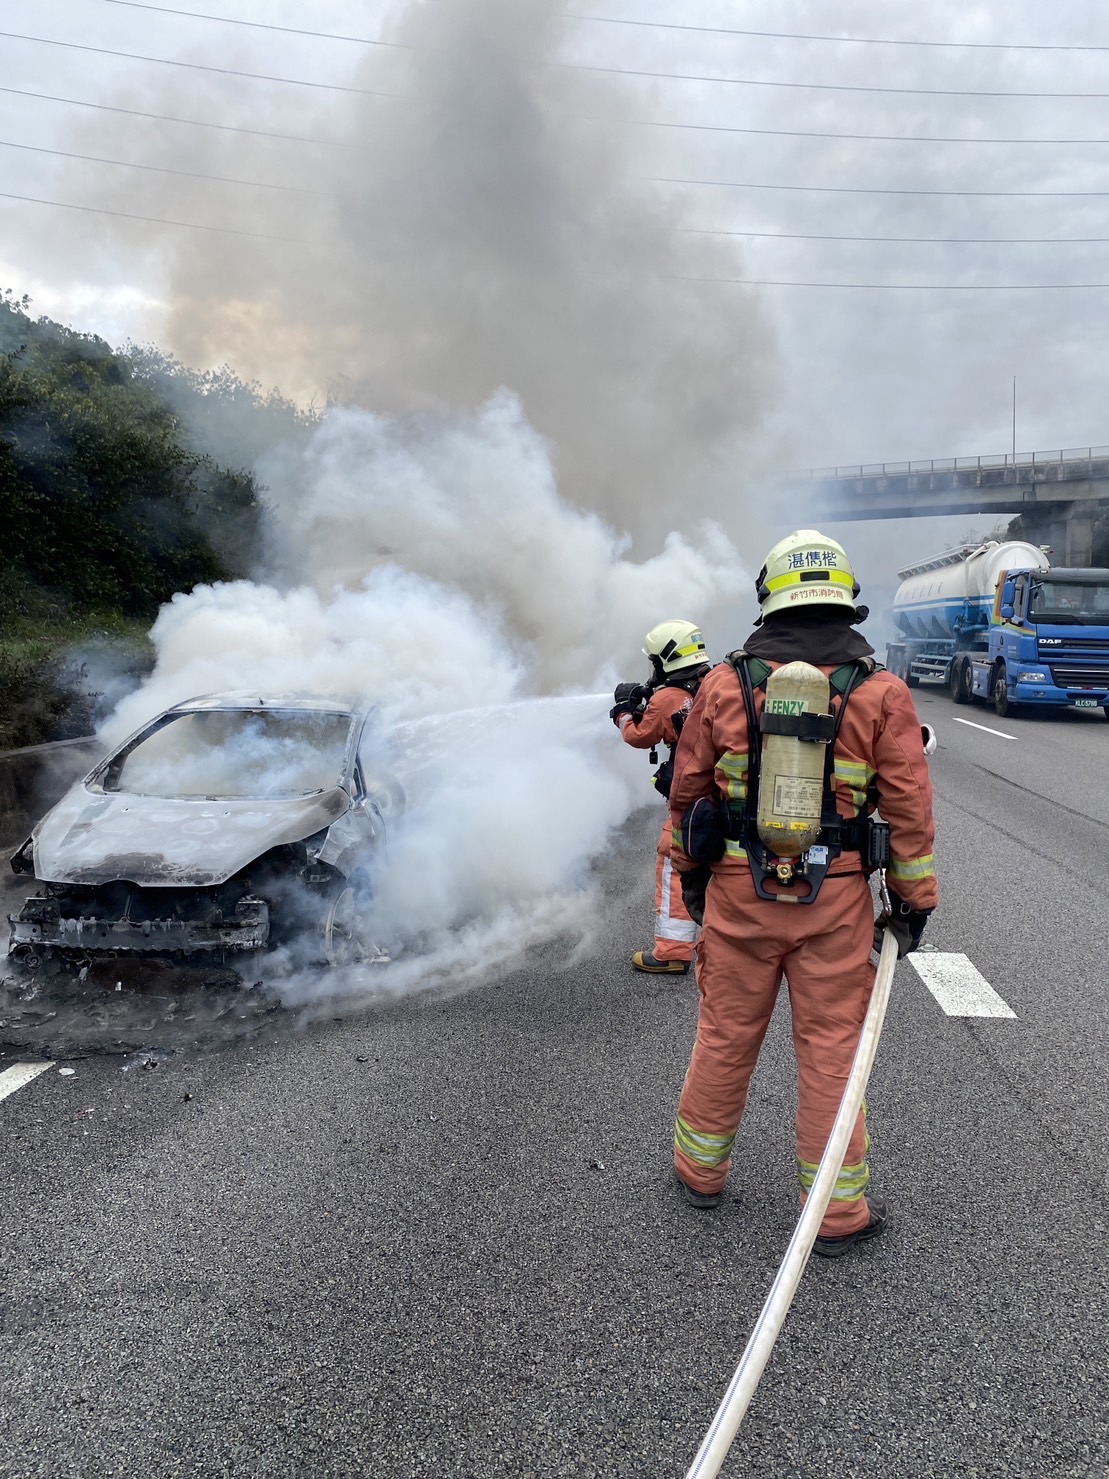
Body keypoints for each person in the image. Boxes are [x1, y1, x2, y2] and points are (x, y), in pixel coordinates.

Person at [667, 530, 937, 1257]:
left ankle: (699, 1170)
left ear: (770, 598)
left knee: (724, 1034)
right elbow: (909, 808)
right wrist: (912, 904)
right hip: (835, 903)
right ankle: (836, 1215)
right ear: (844, 601)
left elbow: (686, 793)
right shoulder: (880, 691)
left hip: (736, 893)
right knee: (830, 1048)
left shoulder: (723, 684)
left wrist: (692, 882)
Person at [610, 620, 712, 975]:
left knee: (674, 861)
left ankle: (672, 951)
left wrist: (624, 711)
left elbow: (639, 736)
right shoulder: (713, 683)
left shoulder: (668, 697)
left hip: (693, 798)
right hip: (726, 792)